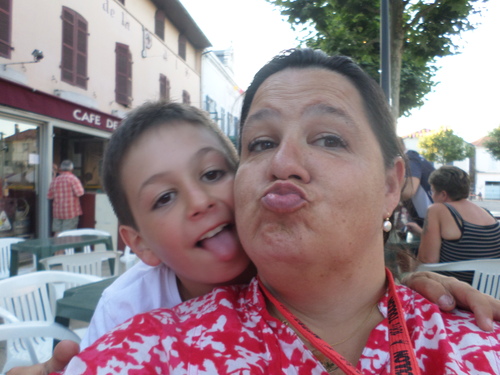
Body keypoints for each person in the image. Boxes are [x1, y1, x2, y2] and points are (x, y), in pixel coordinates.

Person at [49, 49, 500, 374]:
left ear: (390, 184)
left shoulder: (475, 338)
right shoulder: (137, 344)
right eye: (261, 144)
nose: (283, 163)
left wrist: (415, 286)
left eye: (328, 139)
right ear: (139, 242)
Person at [412, 166, 500, 284]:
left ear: (443, 194)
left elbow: (427, 260)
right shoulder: (485, 212)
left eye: (432, 191)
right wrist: (420, 232)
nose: (432, 196)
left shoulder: (438, 209)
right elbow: (471, 245)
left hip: (454, 292)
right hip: (489, 293)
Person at [400, 144, 435, 228]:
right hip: (427, 216)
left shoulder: (410, 160)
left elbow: (408, 191)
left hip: (428, 218)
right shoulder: (414, 157)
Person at [47, 159, 84, 236]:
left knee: (57, 233)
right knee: (67, 236)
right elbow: (80, 193)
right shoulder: (73, 179)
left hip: (57, 212)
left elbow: (49, 196)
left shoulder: (55, 180)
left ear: (61, 169)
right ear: (72, 169)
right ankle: (64, 248)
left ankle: (57, 248)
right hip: (70, 212)